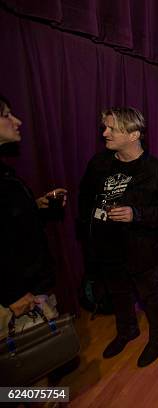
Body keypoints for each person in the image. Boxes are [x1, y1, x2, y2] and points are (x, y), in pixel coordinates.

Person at [78, 106, 158, 367]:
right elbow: (85, 201)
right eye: (105, 127)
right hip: (106, 246)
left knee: (149, 295)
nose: (105, 133)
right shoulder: (99, 164)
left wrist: (137, 214)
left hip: (141, 249)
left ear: (134, 135)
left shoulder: (156, 170)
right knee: (118, 293)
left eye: (112, 128)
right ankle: (127, 330)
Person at [1, 94, 63, 339]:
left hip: (28, 286)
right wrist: (12, 291)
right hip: (15, 295)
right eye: (6, 115)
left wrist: (34, 207)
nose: (17, 121)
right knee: (25, 368)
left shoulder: (4, 170)